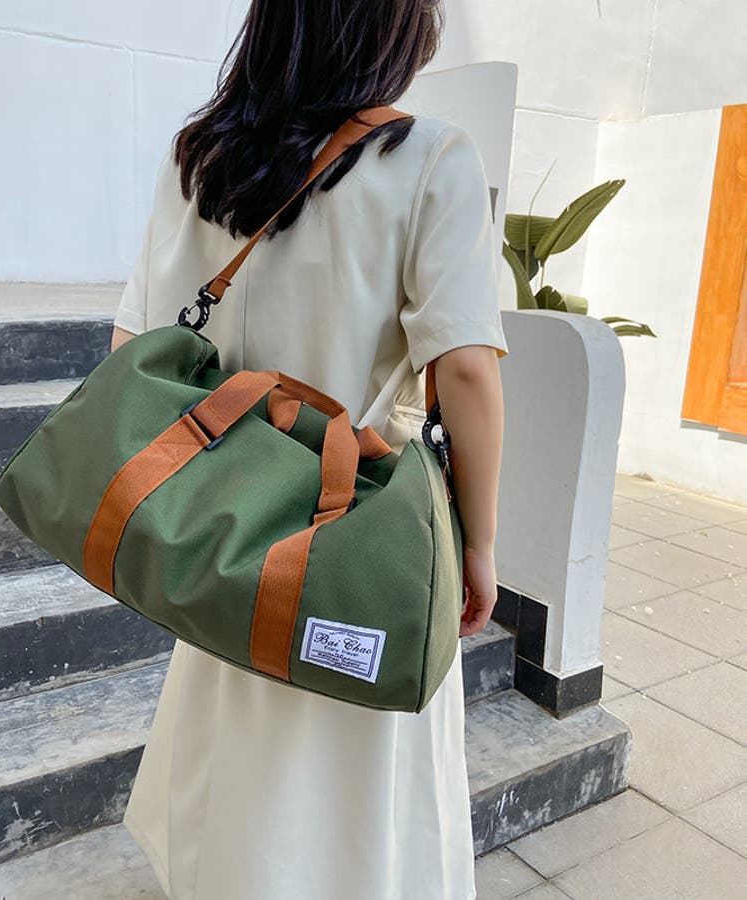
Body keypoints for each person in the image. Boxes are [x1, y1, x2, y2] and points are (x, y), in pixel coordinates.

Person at [109, 2, 507, 897]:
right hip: (356, 535)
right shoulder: (429, 159)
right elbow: (466, 373)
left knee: (233, 748)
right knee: (356, 780)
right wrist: (480, 544)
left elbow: (131, 347)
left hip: (222, 521)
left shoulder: (199, 158)